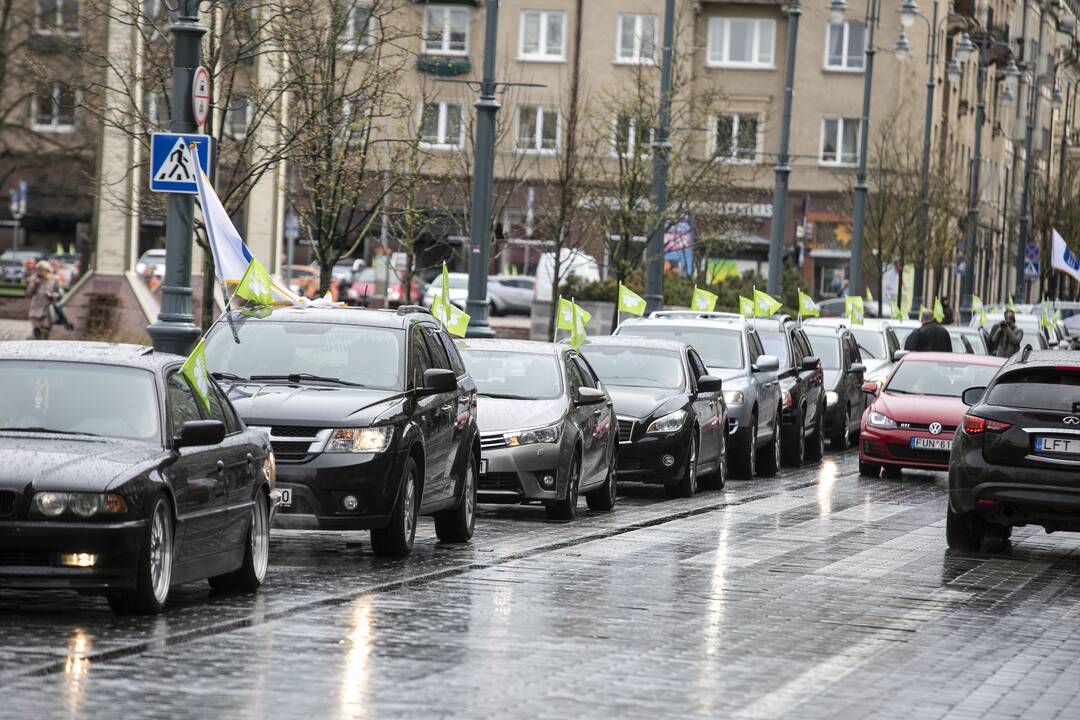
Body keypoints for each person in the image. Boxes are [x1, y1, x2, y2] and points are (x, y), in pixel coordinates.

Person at [26, 260, 61, 340]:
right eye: (38, 269)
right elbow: (28, 293)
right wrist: (34, 283)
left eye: (42, 270)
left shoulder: (54, 279)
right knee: (36, 328)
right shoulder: (33, 279)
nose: (40, 272)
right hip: (35, 306)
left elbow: (60, 293)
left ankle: (44, 343)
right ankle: (37, 341)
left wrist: (52, 295)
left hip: (47, 307)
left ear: (47, 270)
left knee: (46, 328)